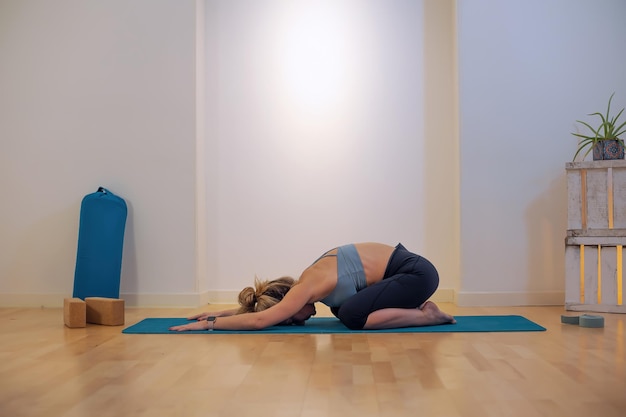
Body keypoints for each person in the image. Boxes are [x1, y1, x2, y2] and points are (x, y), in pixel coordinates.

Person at [170, 242, 455, 332]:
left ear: (288, 302)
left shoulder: (306, 289)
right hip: (411, 274)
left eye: (290, 318)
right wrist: (227, 312)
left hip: (416, 274)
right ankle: (419, 309)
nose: (299, 320)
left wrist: (209, 324)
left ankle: (428, 316)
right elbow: (260, 310)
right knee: (344, 308)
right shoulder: (309, 279)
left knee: (351, 315)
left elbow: (260, 319)